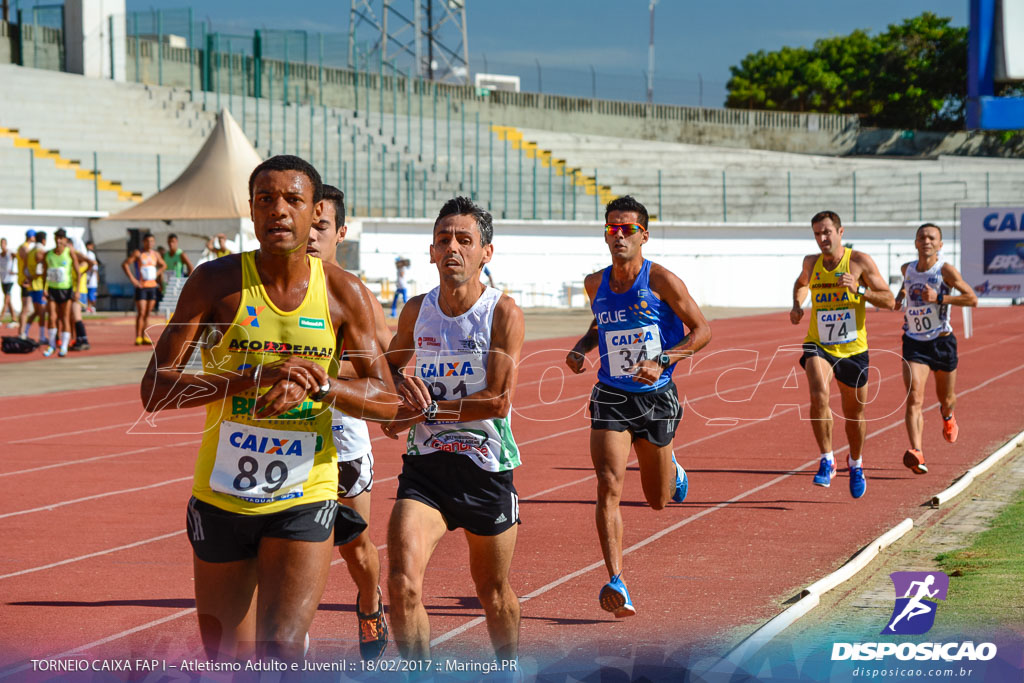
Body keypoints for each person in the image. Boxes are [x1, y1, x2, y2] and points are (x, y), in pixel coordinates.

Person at [139, 154, 398, 662]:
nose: (278, 210)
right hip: (222, 494)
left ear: (314, 212)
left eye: (292, 200)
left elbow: (386, 400)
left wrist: (324, 387)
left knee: (281, 651)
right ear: (252, 213)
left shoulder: (345, 295)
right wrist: (249, 378)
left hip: (306, 491)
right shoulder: (214, 284)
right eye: (265, 200)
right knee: (228, 661)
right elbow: (156, 389)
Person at [381, 196, 524, 662]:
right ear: (430, 251)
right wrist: (400, 391)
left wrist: (428, 409)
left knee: (493, 592)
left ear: (487, 252)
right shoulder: (417, 311)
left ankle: (509, 671)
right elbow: (388, 368)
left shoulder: (502, 313)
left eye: (465, 240)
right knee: (401, 583)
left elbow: (498, 400)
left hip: (485, 468)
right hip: (426, 470)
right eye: (444, 240)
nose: (453, 249)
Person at [565, 195, 712, 618]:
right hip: (611, 394)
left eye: (627, 229)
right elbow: (600, 323)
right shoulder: (595, 283)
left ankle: (673, 471)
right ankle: (616, 580)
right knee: (608, 485)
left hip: (657, 397)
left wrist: (664, 358)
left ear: (643, 235)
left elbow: (702, 331)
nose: (619, 235)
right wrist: (580, 349)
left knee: (658, 501)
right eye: (612, 228)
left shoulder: (662, 279)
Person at [307, 184, 393, 660]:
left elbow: (381, 363)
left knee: (356, 549)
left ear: (341, 232)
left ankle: (370, 599)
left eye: (322, 227)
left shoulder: (354, 295)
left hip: (343, 438)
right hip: (287, 441)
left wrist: (316, 370)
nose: (311, 236)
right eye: (307, 225)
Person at [790, 210, 894, 499]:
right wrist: (798, 305)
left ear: (840, 232)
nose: (822, 238)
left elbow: (889, 299)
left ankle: (856, 463)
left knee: (854, 413)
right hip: (819, 343)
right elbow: (801, 284)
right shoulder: (811, 263)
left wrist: (859, 289)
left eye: (826, 232)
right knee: (818, 393)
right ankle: (827, 459)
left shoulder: (859, 261)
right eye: (816, 234)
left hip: (853, 349)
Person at [893, 223, 977, 474]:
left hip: (942, 342)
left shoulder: (946, 271)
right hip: (914, 343)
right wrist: (900, 296)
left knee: (946, 399)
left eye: (932, 238)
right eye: (922, 237)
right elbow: (906, 286)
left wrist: (940, 298)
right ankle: (916, 452)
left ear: (940, 245)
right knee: (914, 397)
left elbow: (971, 298)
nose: (926, 241)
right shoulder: (906, 268)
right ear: (916, 243)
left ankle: (948, 416)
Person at [41, 229, 86, 357]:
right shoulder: (49, 254)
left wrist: (77, 291)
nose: (59, 241)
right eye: (57, 238)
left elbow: (78, 272)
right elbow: (45, 272)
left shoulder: (69, 252)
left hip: (66, 289)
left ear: (65, 240)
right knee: (52, 317)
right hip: (53, 289)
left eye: (61, 238)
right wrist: (44, 287)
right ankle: (51, 345)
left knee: (65, 318)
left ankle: (64, 346)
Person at [122, 234, 166, 345]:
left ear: (154, 242)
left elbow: (163, 265)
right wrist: (133, 280)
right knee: (141, 312)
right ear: (143, 242)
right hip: (141, 286)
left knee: (147, 313)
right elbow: (125, 264)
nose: (149, 243)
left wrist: (157, 273)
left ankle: (145, 335)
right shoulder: (138, 253)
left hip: (152, 287)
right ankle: (138, 336)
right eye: (147, 241)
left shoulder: (155, 254)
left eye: (151, 241)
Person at [24, 231, 49, 345]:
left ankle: (25, 332)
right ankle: (42, 336)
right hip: (39, 285)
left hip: (34, 286)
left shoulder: (30, 252)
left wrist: (29, 278)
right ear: (43, 240)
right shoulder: (40, 252)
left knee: (36, 312)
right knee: (42, 312)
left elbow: (26, 269)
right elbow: (40, 270)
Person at [16, 230, 38, 338]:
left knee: (27, 308)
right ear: (31, 237)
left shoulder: (24, 247)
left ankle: (23, 331)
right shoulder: (25, 248)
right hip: (25, 281)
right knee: (25, 308)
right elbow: (26, 265)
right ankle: (21, 332)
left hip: (25, 280)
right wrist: (27, 279)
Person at [0, 237, 17, 326]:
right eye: (1, 243)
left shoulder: (10, 253)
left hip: (10, 280)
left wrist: (15, 270)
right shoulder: (0, 255)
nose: (2, 245)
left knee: (6, 300)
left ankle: (1, 318)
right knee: (8, 300)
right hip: (3, 280)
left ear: (6, 244)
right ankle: (14, 318)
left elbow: (20, 257)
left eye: (3, 243)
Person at [83, 240, 99, 313]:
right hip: (89, 278)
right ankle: (89, 307)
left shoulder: (89, 254)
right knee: (89, 294)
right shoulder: (89, 254)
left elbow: (94, 267)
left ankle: (91, 307)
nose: (93, 247)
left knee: (91, 294)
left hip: (90, 278)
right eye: (92, 246)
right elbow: (93, 266)